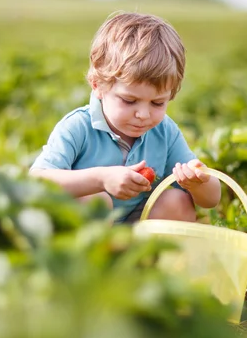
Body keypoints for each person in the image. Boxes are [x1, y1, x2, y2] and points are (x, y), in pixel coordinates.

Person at [30, 12, 221, 223]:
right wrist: (101, 179)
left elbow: (212, 199)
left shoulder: (165, 132)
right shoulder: (78, 126)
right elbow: (37, 181)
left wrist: (197, 183)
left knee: (177, 200)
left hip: (136, 229)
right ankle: (94, 255)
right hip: (84, 235)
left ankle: (151, 256)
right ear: (98, 86)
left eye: (157, 103)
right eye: (129, 101)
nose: (143, 114)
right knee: (95, 200)